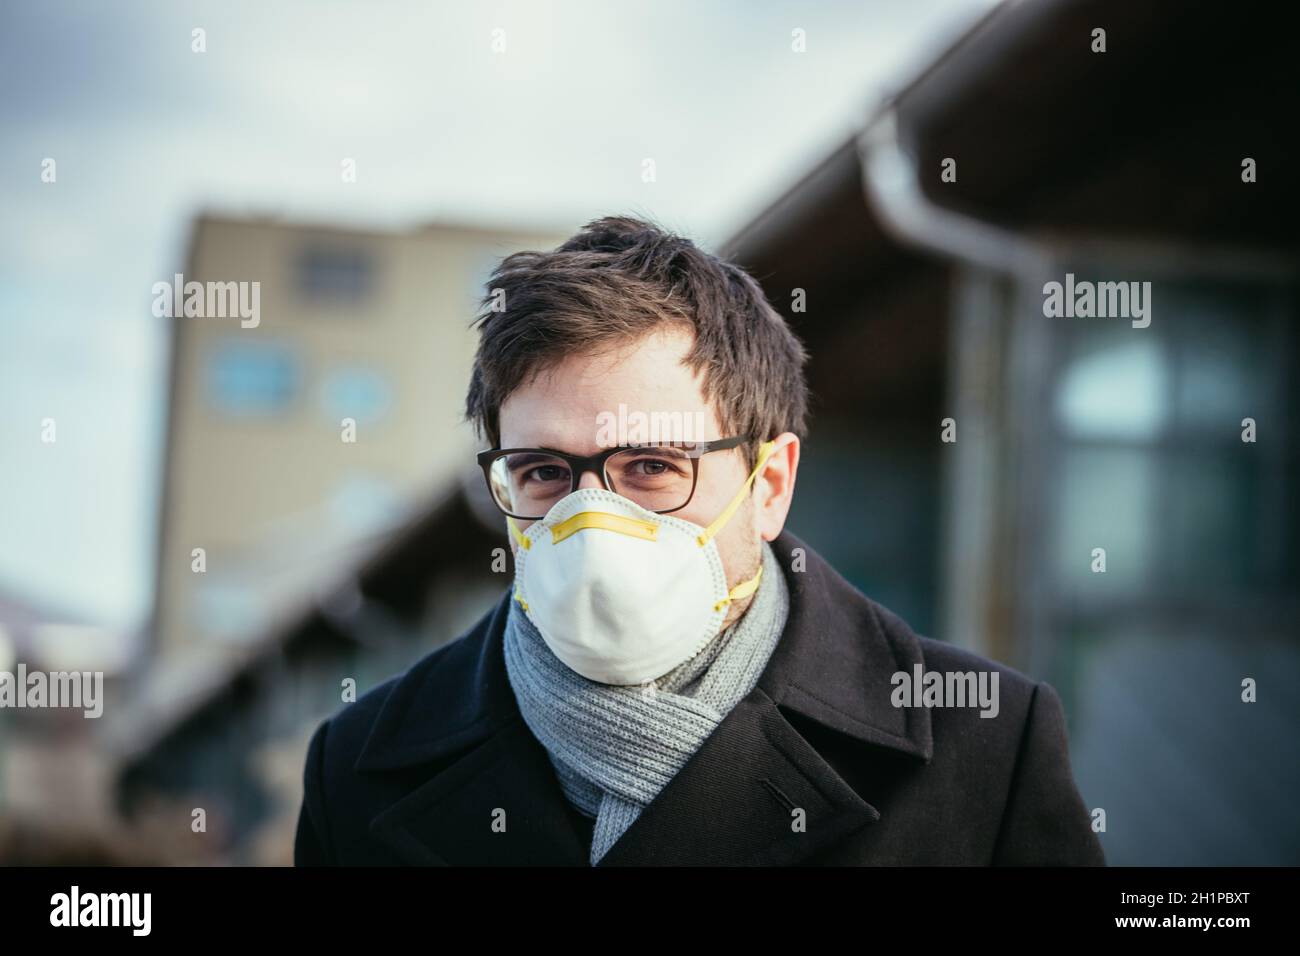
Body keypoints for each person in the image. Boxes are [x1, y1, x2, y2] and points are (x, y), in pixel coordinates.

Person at [294, 215, 1105, 866]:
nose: (591, 522)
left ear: (770, 486)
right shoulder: (360, 765)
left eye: (650, 466)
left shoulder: (984, 745)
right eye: (542, 470)